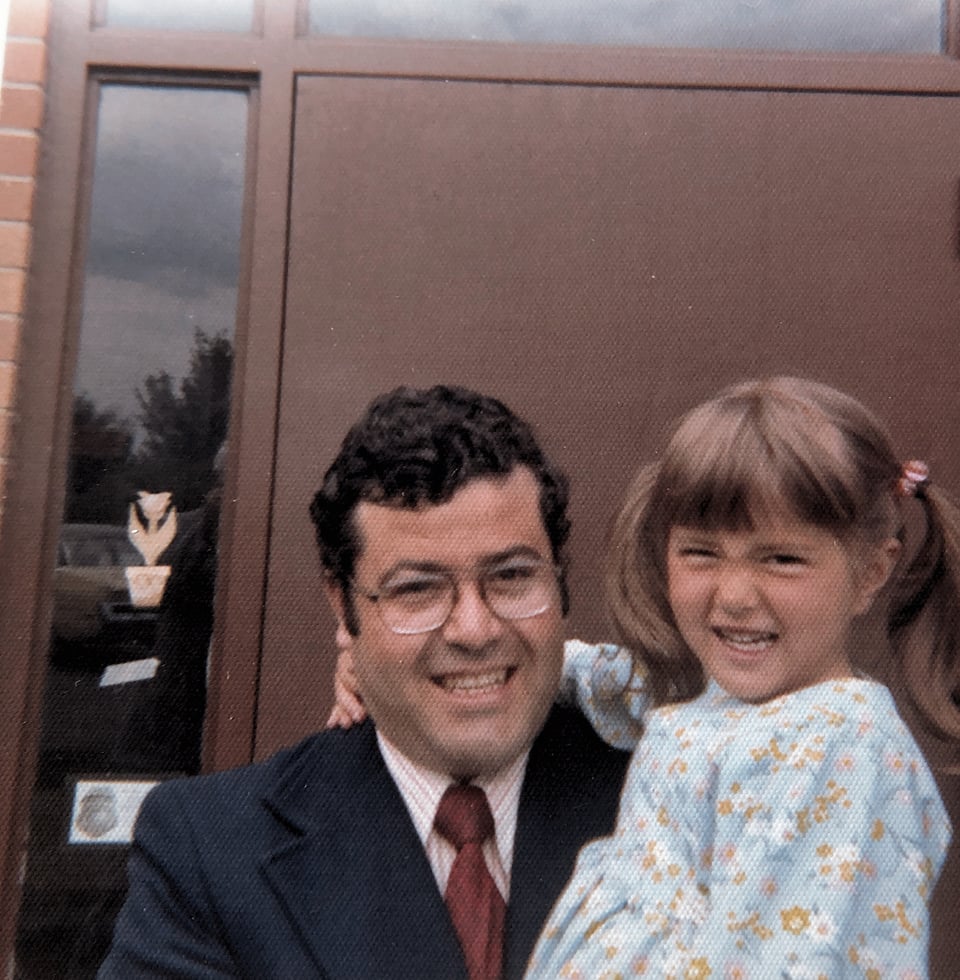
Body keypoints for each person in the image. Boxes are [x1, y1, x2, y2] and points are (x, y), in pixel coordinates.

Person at [97, 385, 630, 980]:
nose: (475, 630)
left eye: (510, 577)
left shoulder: (675, 804)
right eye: (417, 589)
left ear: (558, 583)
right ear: (343, 605)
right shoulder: (209, 851)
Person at [524, 377, 956, 978]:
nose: (733, 597)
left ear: (869, 571)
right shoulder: (711, 694)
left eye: (781, 559)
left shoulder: (843, 746)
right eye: (700, 552)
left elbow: (782, 960)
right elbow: (596, 677)